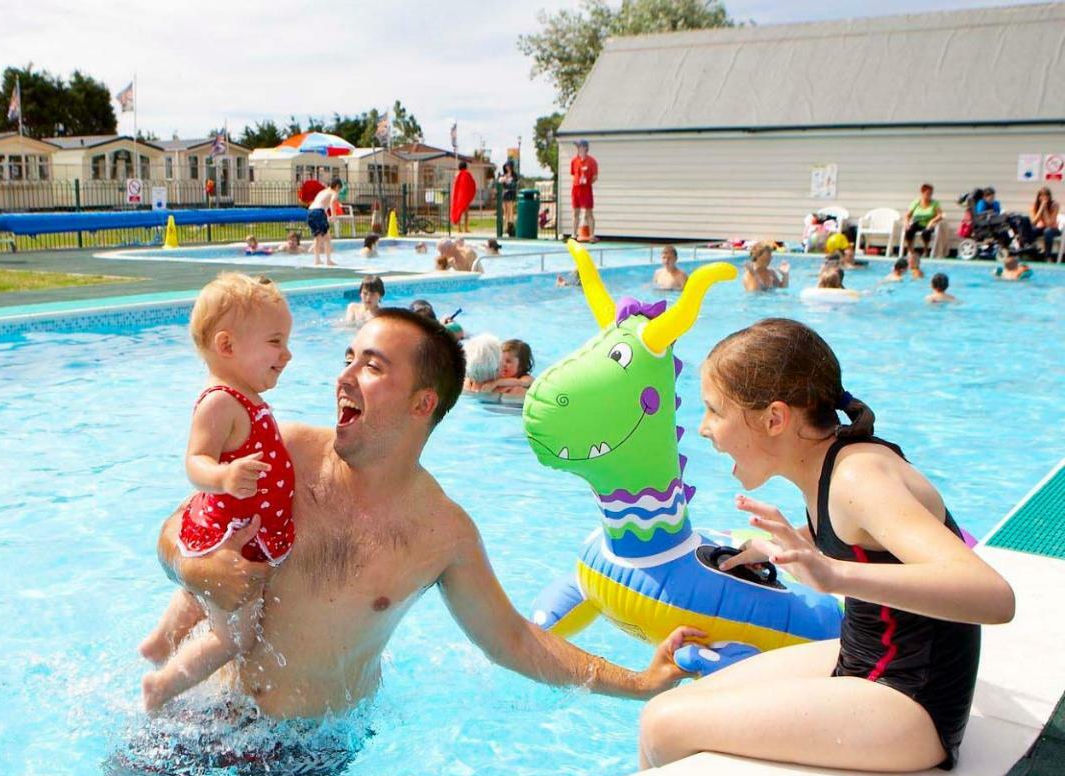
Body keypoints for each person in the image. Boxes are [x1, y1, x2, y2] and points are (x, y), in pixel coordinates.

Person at [150, 308, 700, 723]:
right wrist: (196, 570)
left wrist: (640, 682)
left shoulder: (441, 533)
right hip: (208, 718)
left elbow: (512, 639)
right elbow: (177, 529)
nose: (343, 378)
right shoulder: (283, 452)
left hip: (313, 754)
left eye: (371, 367)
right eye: (348, 360)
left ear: (422, 404)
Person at [638, 318, 1014, 773]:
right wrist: (784, 545)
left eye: (715, 410)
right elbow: (865, 542)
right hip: (865, 661)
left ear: (775, 418)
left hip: (910, 699)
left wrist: (832, 574)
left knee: (663, 724)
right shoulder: (830, 462)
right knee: (692, 695)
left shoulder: (859, 477)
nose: (703, 428)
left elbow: (993, 596)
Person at [140, 274, 296, 712]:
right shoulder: (221, 401)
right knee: (235, 637)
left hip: (239, 528)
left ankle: (160, 643)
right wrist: (224, 476)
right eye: (275, 341)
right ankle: (162, 686)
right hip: (233, 536)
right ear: (227, 346)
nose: (287, 354)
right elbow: (195, 460)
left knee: (197, 596)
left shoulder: (243, 397)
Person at [307, 177, 341, 267]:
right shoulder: (333, 192)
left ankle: (317, 260)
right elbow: (332, 201)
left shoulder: (322, 192)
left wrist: (326, 216)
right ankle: (328, 261)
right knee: (327, 238)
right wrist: (333, 215)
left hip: (310, 212)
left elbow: (321, 203)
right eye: (339, 189)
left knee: (318, 238)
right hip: (318, 212)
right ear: (337, 186)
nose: (339, 191)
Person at [569, 140, 598, 241]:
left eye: (580, 146)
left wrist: (587, 181)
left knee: (589, 212)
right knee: (575, 212)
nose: (578, 148)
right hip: (576, 188)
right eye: (577, 147)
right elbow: (573, 173)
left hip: (586, 188)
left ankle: (592, 235)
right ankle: (573, 234)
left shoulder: (592, 161)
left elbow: (595, 177)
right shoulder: (574, 161)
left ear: (585, 147)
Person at [903, 183, 944, 254]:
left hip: (928, 224)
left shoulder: (935, 203)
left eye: (931, 193)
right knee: (909, 230)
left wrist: (932, 221)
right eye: (927, 193)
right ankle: (910, 249)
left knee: (926, 232)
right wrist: (906, 223)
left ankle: (926, 249)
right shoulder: (916, 202)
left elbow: (940, 215)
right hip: (917, 223)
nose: (929, 195)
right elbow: (907, 215)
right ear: (922, 193)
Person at [1030, 187, 1060, 259]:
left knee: (1047, 231)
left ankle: (1048, 256)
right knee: (1031, 230)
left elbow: (1049, 223)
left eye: (1046, 195)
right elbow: (1033, 222)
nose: (1044, 198)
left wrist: (1045, 209)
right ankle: (1031, 253)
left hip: (1053, 229)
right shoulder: (1034, 205)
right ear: (1038, 197)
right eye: (1041, 196)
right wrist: (1041, 208)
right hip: (1041, 228)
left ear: (1049, 197)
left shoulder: (1055, 205)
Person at [450, 162, 476, 233]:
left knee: (459, 212)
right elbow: (472, 183)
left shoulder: (457, 174)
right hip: (465, 196)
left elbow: (455, 186)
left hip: (458, 196)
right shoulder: (467, 174)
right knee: (466, 213)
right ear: (465, 167)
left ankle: (459, 228)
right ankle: (466, 228)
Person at [499, 160, 518, 238]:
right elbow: (500, 182)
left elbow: (513, 185)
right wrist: (504, 180)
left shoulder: (514, 176)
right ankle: (506, 227)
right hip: (505, 195)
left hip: (511, 195)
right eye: (506, 166)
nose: (507, 168)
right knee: (505, 212)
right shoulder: (504, 175)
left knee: (511, 212)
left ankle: (511, 228)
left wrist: (507, 183)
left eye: (509, 166)